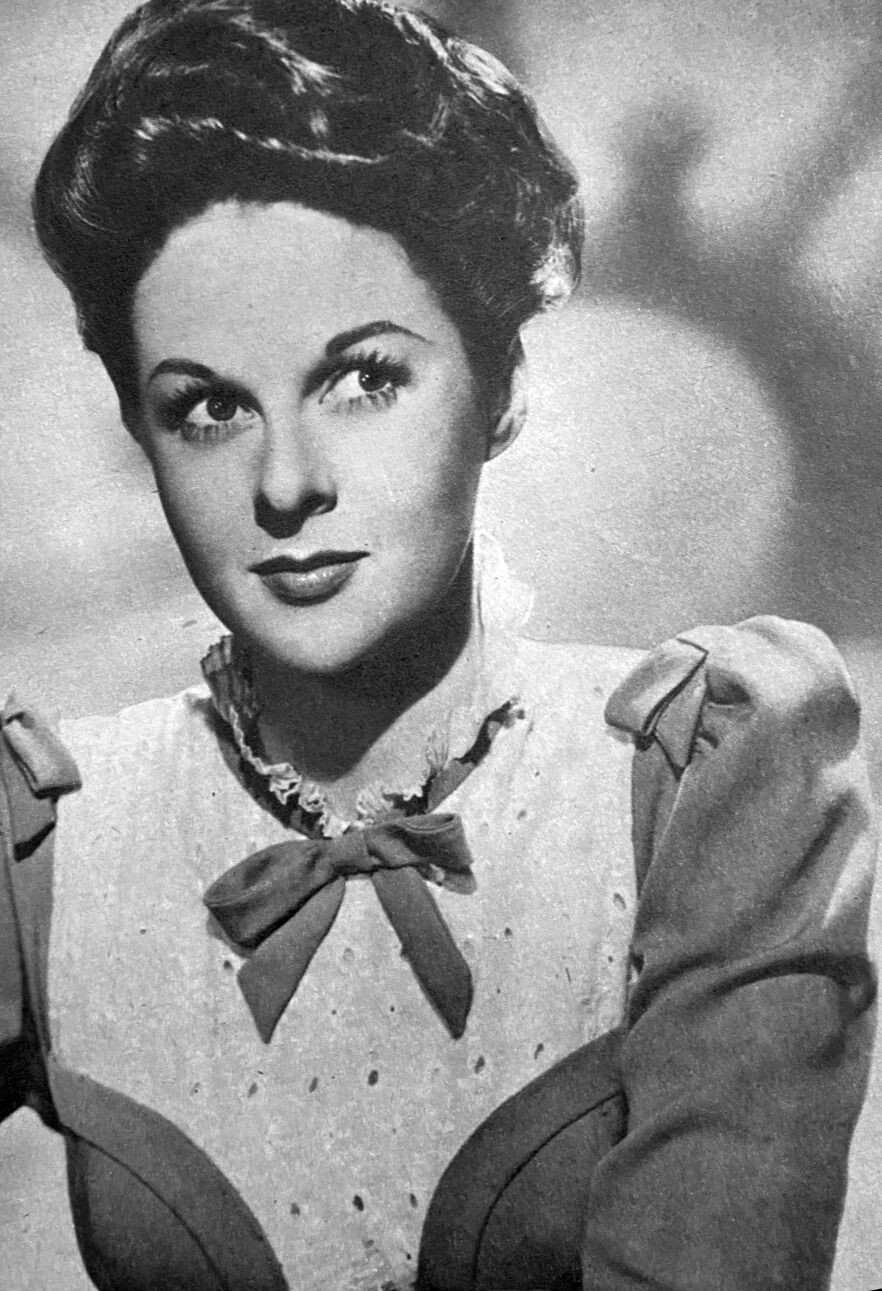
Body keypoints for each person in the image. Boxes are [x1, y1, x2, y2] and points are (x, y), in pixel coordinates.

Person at [0, 1, 875, 1288]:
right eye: (208, 407)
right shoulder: (48, 835)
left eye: (364, 379)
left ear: (503, 388)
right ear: (142, 428)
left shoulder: (700, 778)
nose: (286, 482)